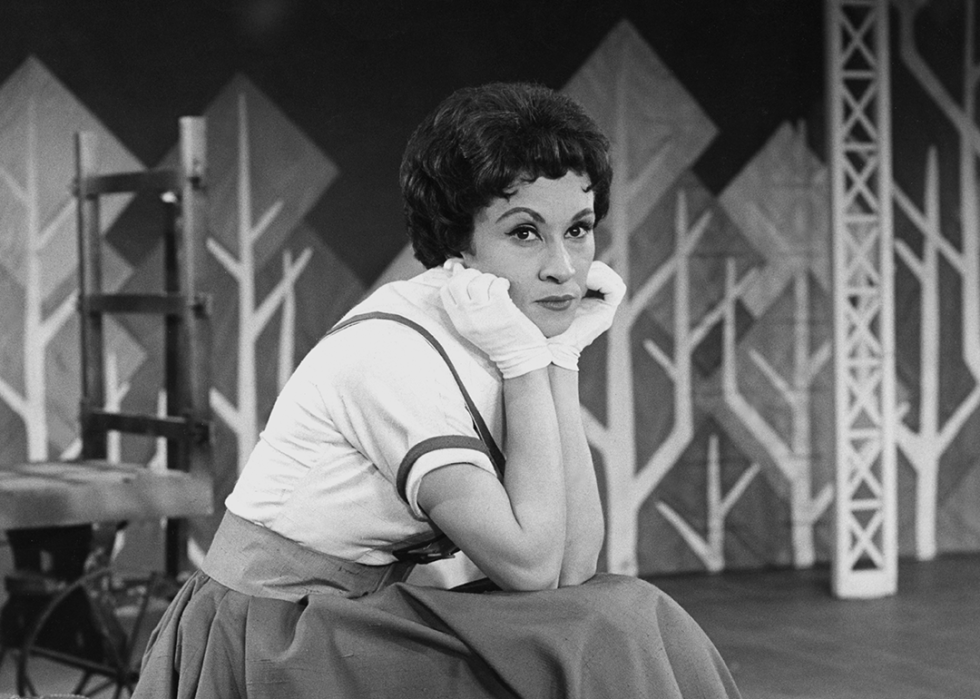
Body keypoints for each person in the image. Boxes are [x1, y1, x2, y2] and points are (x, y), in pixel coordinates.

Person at [133, 82, 741, 699]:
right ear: (457, 241)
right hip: (266, 637)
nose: (563, 266)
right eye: (525, 233)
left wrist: (560, 356)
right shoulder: (396, 355)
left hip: (347, 615)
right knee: (611, 631)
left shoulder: (502, 330)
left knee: (628, 614)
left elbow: (573, 563)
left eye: (578, 230)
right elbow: (529, 568)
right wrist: (529, 361)